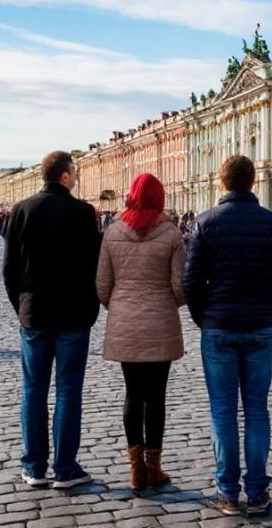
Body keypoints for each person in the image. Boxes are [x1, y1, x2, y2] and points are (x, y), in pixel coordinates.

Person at [182, 156, 272, 517]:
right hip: (261, 328)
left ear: (222, 183)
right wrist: (269, 305)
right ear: (253, 183)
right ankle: (259, 491)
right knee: (257, 410)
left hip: (218, 326)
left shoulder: (204, 223)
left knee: (222, 412)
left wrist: (206, 316)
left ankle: (229, 493)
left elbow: (190, 282)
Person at [4, 151, 101, 490]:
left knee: (33, 390)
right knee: (69, 391)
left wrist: (22, 306)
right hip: (73, 316)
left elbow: (10, 269)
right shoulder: (84, 213)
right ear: (63, 176)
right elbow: (94, 266)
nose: (75, 176)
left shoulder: (22, 210)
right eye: (73, 171)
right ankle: (65, 468)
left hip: (34, 315)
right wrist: (91, 308)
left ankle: (33, 467)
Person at [95, 173, 185, 493]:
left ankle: (136, 471)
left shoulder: (112, 232)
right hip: (161, 321)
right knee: (156, 396)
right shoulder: (172, 235)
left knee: (133, 394)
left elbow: (102, 287)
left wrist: (120, 307)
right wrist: (166, 303)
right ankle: (154, 468)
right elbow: (179, 287)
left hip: (124, 322)